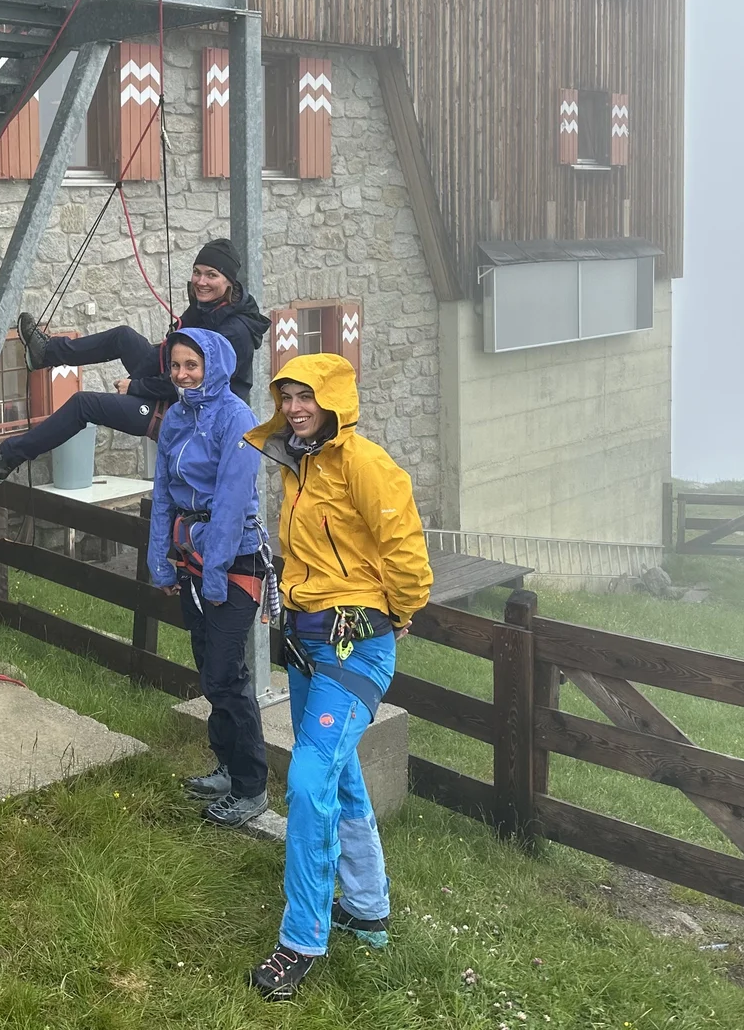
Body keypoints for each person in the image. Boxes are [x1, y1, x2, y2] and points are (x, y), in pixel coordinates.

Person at [241, 352, 433, 1002]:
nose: (296, 407)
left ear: (335, 401)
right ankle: (368, 906)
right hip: (304, 644)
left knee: (308, 776)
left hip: (356, 651)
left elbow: (405, 549)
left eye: (308, 397)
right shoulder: (296, 464)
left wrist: (400, 612)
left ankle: (301, 938)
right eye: (288, 396)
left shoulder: (366, 465)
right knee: (340, 773)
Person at [0, 238, 271, 481]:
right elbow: (173, 357)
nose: (201, 281)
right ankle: (45, 352)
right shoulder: (206, 307)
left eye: (211, 275)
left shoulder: (235, 333)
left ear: (229, 282)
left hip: (188, 416)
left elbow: (190, 384)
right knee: (123, 337)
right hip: (169, 385)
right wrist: (147, 372)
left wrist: (136, 387)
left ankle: (6, 459)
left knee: (84, 404)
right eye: (197, 273)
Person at [147, 328, 271, 828]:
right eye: (175, 366)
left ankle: (251, 787)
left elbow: (232, 502)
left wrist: (216, 576)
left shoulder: (237, 418)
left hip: (234, 561)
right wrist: (161, 561)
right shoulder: (176, 417)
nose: (182, 375)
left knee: (227, 674)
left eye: (191, 365)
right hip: (191, 557)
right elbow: (163, 496)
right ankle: (226, 765)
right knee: (208, 669)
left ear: (213, 365)